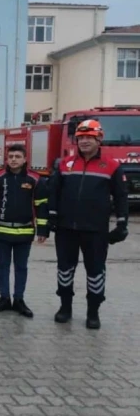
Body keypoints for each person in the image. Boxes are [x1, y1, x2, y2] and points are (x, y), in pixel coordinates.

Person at [48, 119, 128, 329]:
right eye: (80, 138)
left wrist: (122, 224)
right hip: (66, 229)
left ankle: (93, 312)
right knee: (65, 270)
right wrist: (52, 216)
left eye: (88, 138)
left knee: (95, 272)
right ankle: (65, 308)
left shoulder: (112, 166)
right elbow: (54, 192)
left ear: (99, 139)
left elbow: (121, 197)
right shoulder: (65, 164)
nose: (83, 141)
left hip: (96, 231)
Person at [0, 144, 49, 318]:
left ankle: (19, 299)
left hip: (25, 231)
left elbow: (41, 205)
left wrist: (42, 229)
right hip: (1, 230)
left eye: (17, 156)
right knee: (2, 266)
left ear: (25, 159)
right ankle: (4, 298)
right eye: (10, 156)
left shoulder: (35, 179)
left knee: (21, 267)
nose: (13, 159)